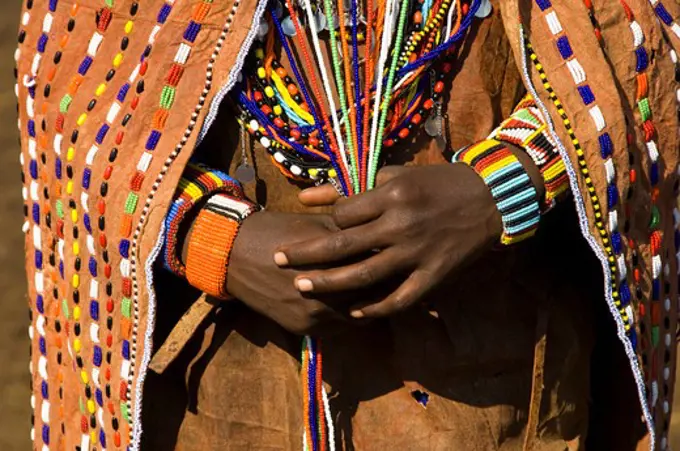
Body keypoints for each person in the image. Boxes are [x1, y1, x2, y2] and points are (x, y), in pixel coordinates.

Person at [14, 0, 679, 449]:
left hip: (497, 393)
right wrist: (213, 237)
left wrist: (504, 188)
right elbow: (77, 104)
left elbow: (648, 49)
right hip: (225, 395)